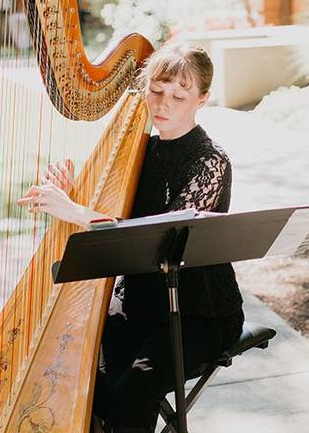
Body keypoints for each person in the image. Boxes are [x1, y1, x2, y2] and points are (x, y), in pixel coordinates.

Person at [17, 41, 244, 433]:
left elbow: (153, 239)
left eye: (179, 95)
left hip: (195, 313)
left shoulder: (210, 162)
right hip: (138, 305)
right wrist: (75, 194)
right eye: (156, 90)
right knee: (79, 376)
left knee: (132, 394)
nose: (164, 104)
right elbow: (119, 213)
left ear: (202, 99)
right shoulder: (141, 151)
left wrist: (73, 211)